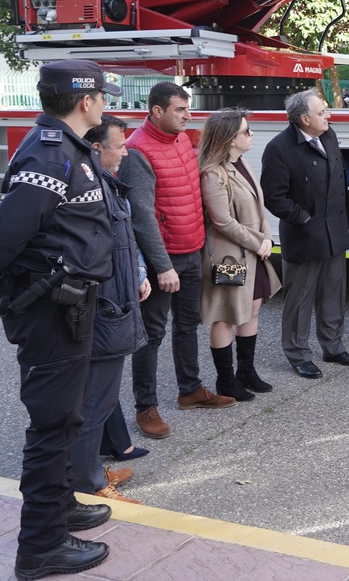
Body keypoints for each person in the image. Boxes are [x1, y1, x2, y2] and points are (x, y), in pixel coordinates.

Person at [0, 60, 121, 579]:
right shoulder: (51, 153)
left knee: (67, 415)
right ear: (85, 101)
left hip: (71, 307)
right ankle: (40, 547)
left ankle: (60, 507)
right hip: (51, 311)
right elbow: (4, 233)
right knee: (53, 423)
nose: (105, 102)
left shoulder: (67, 148)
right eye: (102, 94)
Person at [120, 82, 235, 441]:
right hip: (163, 261)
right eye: (180, 110)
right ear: (157, 111)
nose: (188, 116)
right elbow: (142, 216)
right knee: (151, 334)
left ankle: (190, 390)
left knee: (188, 326)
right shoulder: (138, 151)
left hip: (191, 251)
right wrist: (162, 266)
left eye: (189, 108)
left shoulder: (182, 140)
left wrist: (201, 247)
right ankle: (145, 407)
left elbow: (190, 197)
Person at [69, 114, 150, 506]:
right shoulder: (89, 191)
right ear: (97, 148)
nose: (126, 150)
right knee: (93, 402)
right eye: (120, 145)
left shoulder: (106, 185)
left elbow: (123, 241)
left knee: (97, 399)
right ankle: (87, 485)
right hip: (103, 311)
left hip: (115, 304)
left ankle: (87, 471)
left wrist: (138, 271)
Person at [261, 89, 349, 378]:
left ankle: (333, 346)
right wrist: (303, 218)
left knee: (333, 293)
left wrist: (346, 222)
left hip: (335, 233)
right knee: (300, 299)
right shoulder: (279, 148)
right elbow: (274, 197)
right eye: (321, 112)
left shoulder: (328, 135)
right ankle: (298, 354)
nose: (328, 115)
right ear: (304, 119)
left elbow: (339, 183)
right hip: (304, 236)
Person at [197, 108, 282, 400]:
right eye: (246, 131)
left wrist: (268, 237)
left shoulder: (242, 162)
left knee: (253, 308)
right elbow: (222, 221)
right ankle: (225, 380)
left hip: (253, 252)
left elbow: (258, 209)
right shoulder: (212, 172)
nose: (251, 135)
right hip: (229, 258)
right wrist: (259, 242)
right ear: (230, 138)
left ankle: (246, 371)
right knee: (226, 316)